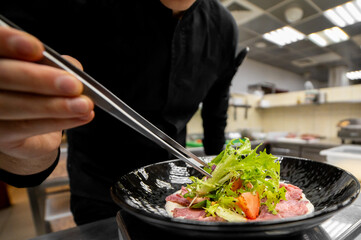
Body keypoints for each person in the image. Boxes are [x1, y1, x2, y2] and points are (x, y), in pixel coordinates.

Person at [0, 0, 239, 225]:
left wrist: (219, 180)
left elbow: (215, 117)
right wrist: (22, 150)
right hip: (99, 191)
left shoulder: (224, 28)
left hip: (176, 189)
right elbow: (22, 144)